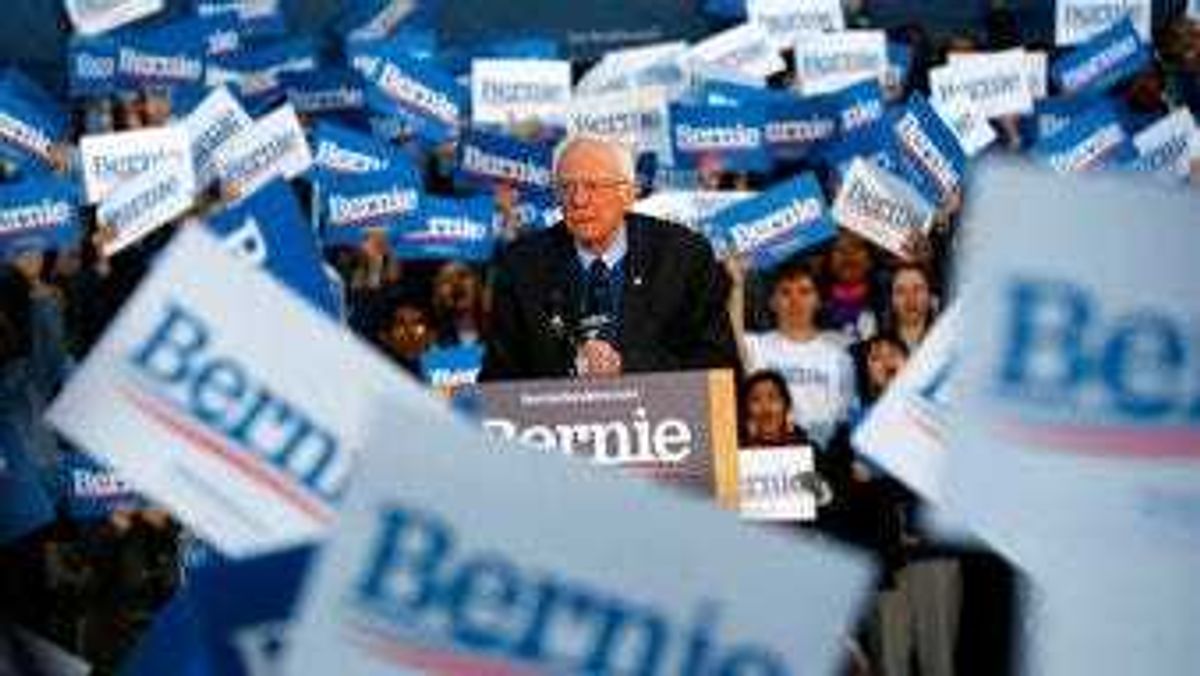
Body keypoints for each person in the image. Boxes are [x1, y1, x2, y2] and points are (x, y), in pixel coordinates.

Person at [480, 135, 739, 380]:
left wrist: (626, 366)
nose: (579, 200)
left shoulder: (683, 257)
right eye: (567, 187)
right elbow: (498, 380)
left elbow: (717, 363)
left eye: (593, 186)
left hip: (659, 409)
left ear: (627, 194)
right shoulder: (522, 265)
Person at [741, 262, 857, 448]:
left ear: (818, 300)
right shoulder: (752, 345)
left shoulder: (841, 352)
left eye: (804, 291)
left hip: (824, 455)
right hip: (766, 455)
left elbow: (846, 416)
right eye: (785, 292)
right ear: (772, 302)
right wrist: (736, 282)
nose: (795, 300)